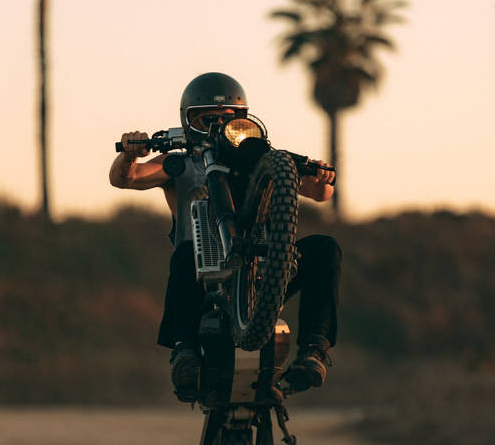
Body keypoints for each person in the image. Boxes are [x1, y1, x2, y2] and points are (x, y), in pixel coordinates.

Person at [109, 72, 341, 398]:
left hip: (265, 273)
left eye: (226, 119)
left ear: (243, 121)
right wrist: (131, 152)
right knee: (184, 254)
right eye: (207, 120)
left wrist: (322, 175)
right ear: (189, 122)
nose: (217, 127)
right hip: (202, 278)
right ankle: (185, 350)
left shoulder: (264, 162)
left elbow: (322, 194)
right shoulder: (178, 163)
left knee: (324, 248)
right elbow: (126, 178)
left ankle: (315, 349)